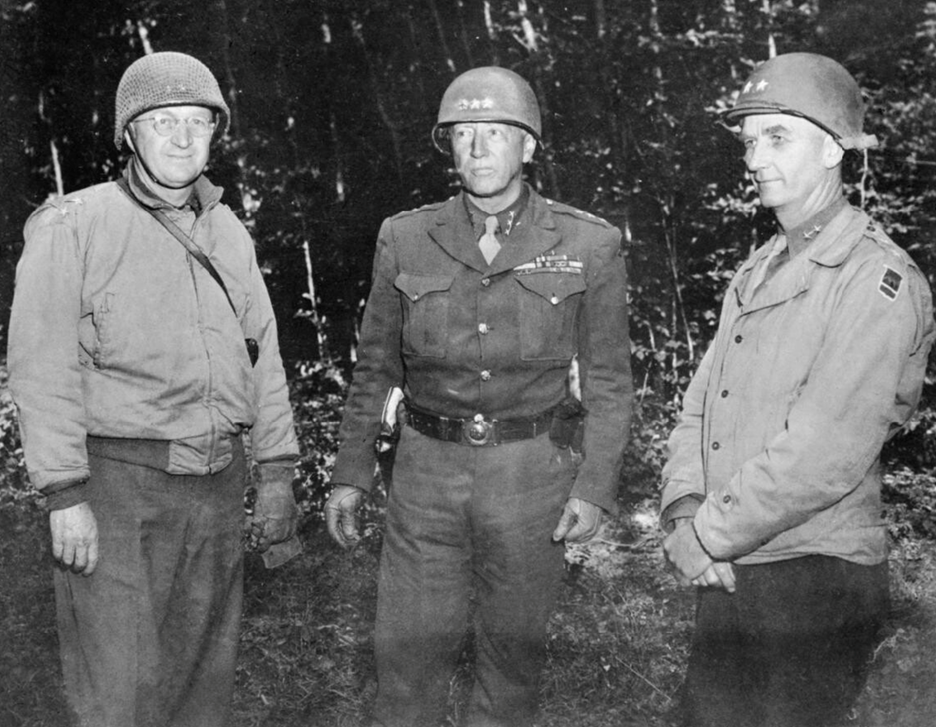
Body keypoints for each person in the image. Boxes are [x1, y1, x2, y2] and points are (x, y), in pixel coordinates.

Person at [324, 66, 633, 727]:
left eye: (497, 133)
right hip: (425, 474)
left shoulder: (588, 244)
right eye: (464, 134)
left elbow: (608, 379)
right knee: (406, 668)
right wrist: (350, 473)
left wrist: (595, 486)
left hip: (531, 477)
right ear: (449, 147)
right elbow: (376, 366)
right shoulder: (405, 236)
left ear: (529, 147)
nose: (479, 148)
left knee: (511, 671)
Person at [7, 51, 300, 727]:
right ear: (129, 135)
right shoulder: (74, 225)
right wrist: (64, 493)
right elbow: (40, 366)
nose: (180, 137)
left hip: (217, 487)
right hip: (117, 487)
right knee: (118, 690)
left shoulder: (229, 232)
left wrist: (279, 472)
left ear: (214, 133)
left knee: (203, 686)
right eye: (161, 121)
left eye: (197, 122)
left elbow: (264, 358)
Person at [660, 52, 935, 727]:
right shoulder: (758, 271)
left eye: (777, 136)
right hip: (734, 563)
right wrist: (683, 508)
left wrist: (706, 533)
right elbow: (701, 406)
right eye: (751, 141)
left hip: (815, 577)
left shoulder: (874, 280)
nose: (755, 157)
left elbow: (822, 454)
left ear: (835, 147)